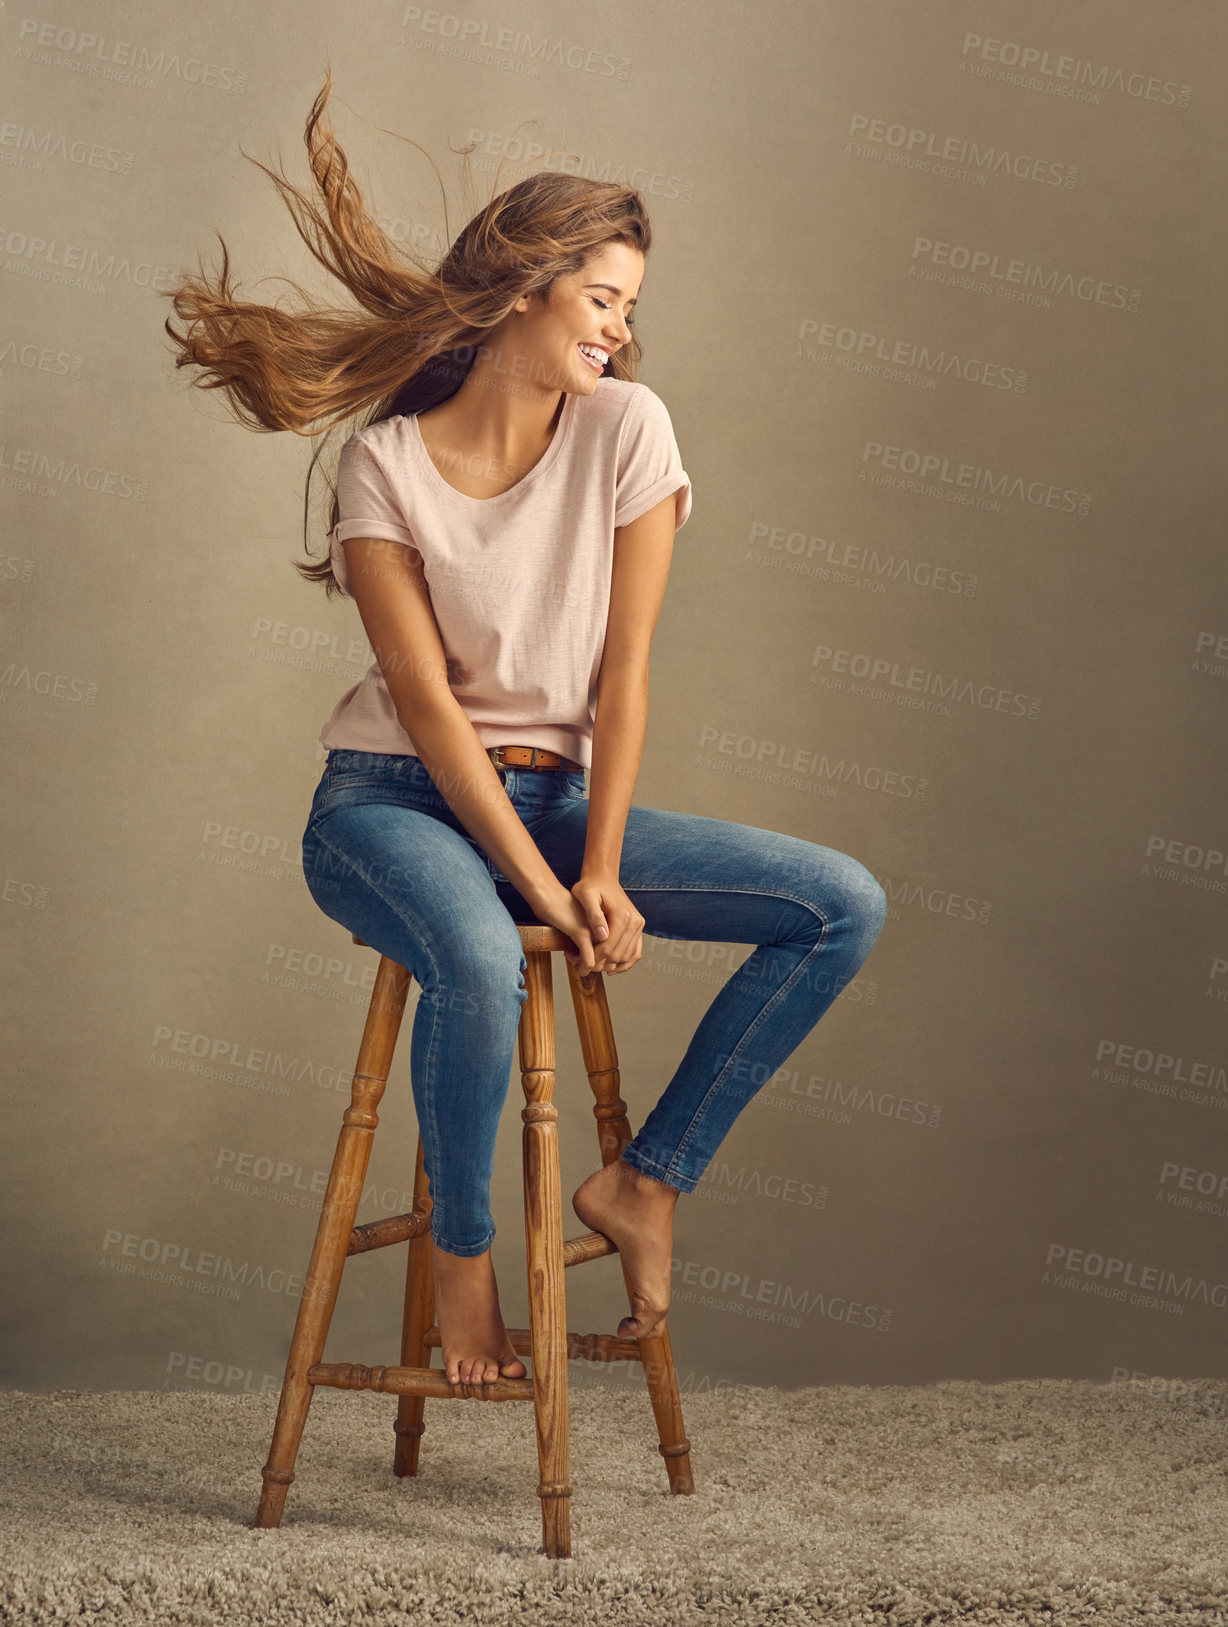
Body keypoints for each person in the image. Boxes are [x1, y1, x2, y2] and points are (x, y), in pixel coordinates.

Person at [162, 72, 888, 1392]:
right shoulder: (386, 463)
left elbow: (625, 673)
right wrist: (548, 888)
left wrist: (595, 868)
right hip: (389, 804)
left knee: (841, 904)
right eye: (602, 298)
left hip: (558, 798)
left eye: (629, 306)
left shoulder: (628, 431)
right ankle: (465, 1258)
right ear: (517, 293)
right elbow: (431, 716)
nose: (619, 330)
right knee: (484, 955)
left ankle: (646, 1183)